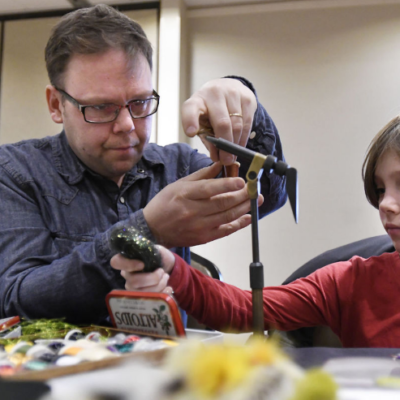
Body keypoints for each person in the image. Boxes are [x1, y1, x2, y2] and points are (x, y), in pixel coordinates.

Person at [0, 5, 286, 324]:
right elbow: (15, 298)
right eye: (101, 107)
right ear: (56, 104)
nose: (126, 124)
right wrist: (148, 231)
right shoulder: (15, 172)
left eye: (139, 102)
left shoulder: (176, 166)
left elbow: (268, 194)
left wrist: (245, 110)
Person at [112, 115, 400, 348]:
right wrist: (172, 267)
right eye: (380, 189)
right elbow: (244, 309)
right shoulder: (351, 282)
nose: (385, 203)